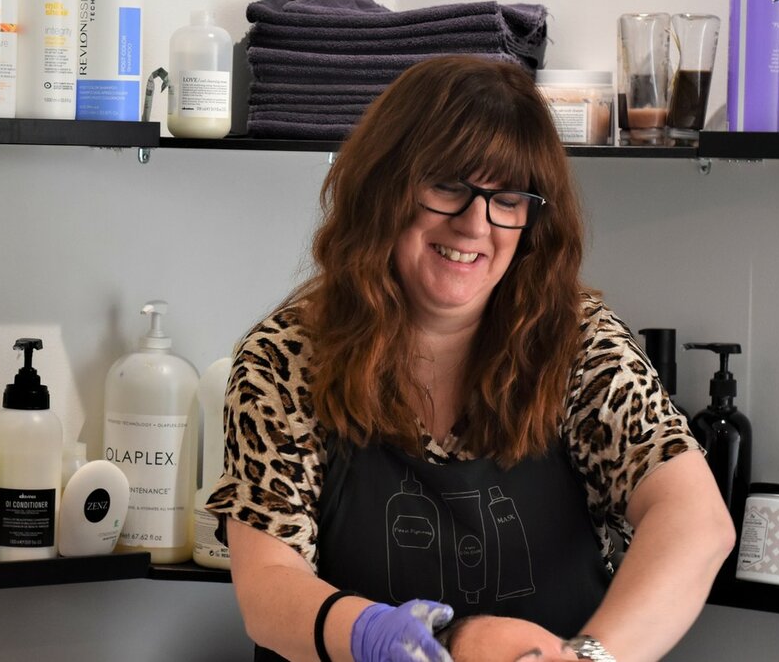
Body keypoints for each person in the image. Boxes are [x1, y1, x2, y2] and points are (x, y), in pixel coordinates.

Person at [206, 55, 735, 662]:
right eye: (447, 186)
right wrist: (368, 636)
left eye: (506, 198)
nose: (474, 225)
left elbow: (695, 520)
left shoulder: (578, 345)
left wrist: (589, 658)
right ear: (384, 188)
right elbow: (268, 583)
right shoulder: (286, 359)